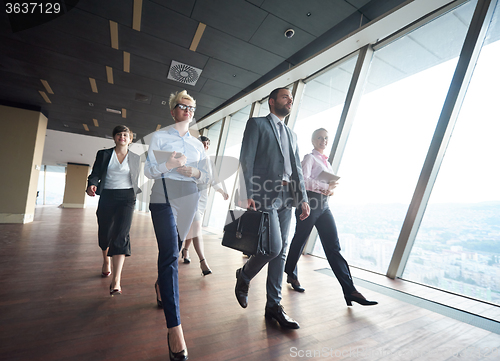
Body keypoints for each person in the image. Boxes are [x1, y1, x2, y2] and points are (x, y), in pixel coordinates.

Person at [235, 87, 310, 329]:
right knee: (273, 248)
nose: (290, 100)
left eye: (291, 98)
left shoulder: (292, 134)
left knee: (282, 250)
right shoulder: (256, 124)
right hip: (264, 193)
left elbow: (296, 169)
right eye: (285, 96)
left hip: (287, 197)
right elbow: (246, 158)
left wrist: (303, 198)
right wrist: (247, 192)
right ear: (271, 101)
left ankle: (273, 305)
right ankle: (245, 274)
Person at [145, 90, 209, 361]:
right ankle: (175, 328)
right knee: (171, 252)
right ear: (173, 111)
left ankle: (161, 285)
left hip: (188, 197)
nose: (187, 111)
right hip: (163, 195)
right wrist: (167, 164)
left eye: (192, 108)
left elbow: (205, 177)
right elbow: (148, 171)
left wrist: (194, 172)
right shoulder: (159, 137)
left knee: (172, 252)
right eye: (182, 107)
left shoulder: (196, 145)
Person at [284, 128, 378, 306]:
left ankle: (350, 290)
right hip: (309, 203)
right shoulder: (309, 158)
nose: (323, 141)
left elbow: (328, 184)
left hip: (324, 205)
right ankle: (291, 273)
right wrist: (322, 186)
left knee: (333, 247)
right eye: (320, 138)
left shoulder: (327, 163)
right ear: (313, 140)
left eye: (326, 138)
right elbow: (301, 180)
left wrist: (330, 188)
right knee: (300, 240)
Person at [86, 125, 141, 295]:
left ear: (130, 139)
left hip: (127, 198)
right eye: (119, 134)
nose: (122, 137)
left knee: (121, 235)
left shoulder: (135, 158)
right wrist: (92, 184)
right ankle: (106, 261)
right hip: (108, 196)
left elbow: (135, 179)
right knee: (105, 232)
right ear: (114, 137)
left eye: (125, 135)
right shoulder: (103, 154)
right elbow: (95, 173)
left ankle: (116, 280)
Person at [183, 136, 229, 275]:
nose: (205, 146)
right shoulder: (189, 158)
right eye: (203, 143)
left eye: (207, 144)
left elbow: (214, 180)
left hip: (203, 198)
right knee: (196, 226)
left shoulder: (209, 161)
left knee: (193, 226)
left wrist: (222, 192)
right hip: (190, 195)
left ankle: (185, 251)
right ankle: (203, 262)